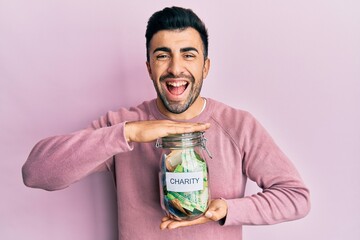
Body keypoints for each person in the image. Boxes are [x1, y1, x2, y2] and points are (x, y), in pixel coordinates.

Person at [22, 6, 310, 240]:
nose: (175, 68)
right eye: (162, 56)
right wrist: (131, 132)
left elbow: (296, 198)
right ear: (149, 67)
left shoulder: (238, 125)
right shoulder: (121, 124)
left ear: (205, 66)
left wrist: (226, 210)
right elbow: (36, 173)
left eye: (188, 55)